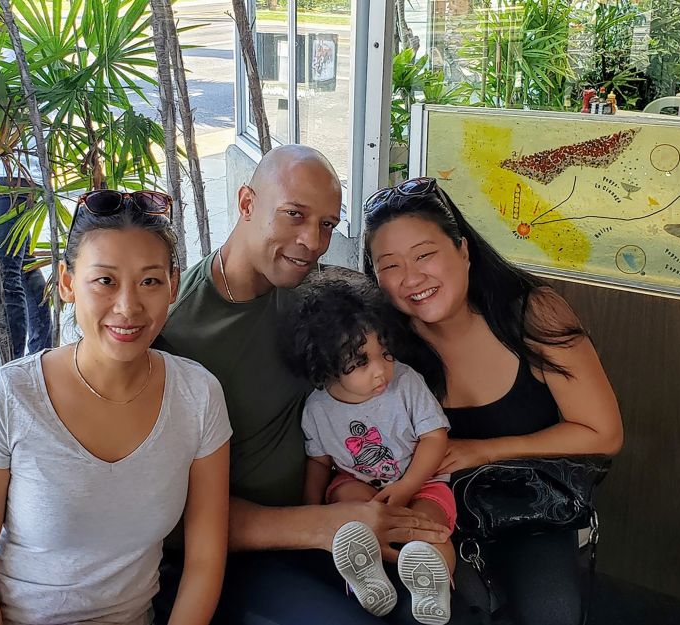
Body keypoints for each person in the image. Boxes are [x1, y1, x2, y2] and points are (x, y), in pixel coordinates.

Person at [154, 145, 481, 625]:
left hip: (356, 507)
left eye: (327, 224)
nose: (312, 240)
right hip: (255, 547)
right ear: (246, 204)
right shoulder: (176, 331)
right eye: (294, 215)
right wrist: (320, 524)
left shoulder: (319, 297)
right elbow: (168, 517)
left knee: (447, 611)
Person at [0, 189, 232, 625]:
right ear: (66, 283)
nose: (128, 306)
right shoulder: (10, 397)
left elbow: (204, 562)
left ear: (173, 285)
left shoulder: (198, 396)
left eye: (150, 281)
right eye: (105, 280)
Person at [363, 177, 624, 625]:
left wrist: (484, 450)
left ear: (463, 250)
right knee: (444, 614)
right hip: (432, 505)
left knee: (553, 614)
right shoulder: (384, 346)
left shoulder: (530, 314)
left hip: (527, 501)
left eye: (425, 254)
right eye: (390, 266)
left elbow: (603, 433)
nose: (411, 278)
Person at [281, 276, 455, 625]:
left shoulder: (406, 383)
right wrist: (311, 512)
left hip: (421, 481)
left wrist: (406, 487)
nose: (381, 371)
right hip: (360, 483)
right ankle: (366, 574)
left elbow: (435, 437)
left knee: (428, 526)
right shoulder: (318, 408)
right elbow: (319, 463)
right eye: (361, 362)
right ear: (327, 365)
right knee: (347, 498)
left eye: (385, 353)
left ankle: (433, 583)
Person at [0, 177, 52, 358]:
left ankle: (12, 366)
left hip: (7, 179)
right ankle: (41, 358)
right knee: (25, 268)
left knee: (7, 278)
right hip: (17, 180)